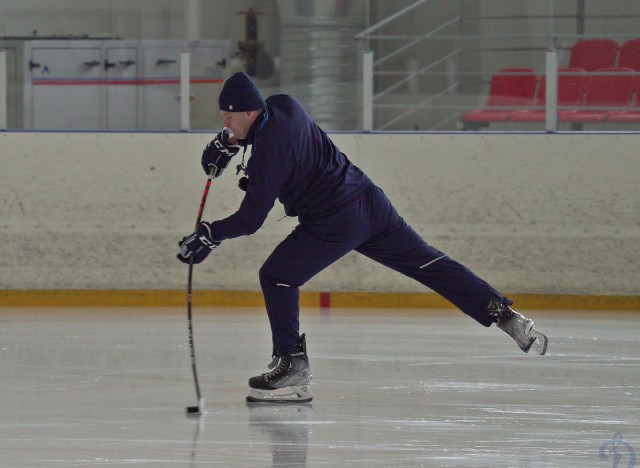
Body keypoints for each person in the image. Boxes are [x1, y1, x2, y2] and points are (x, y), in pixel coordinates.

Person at [177, 72, 548, 403]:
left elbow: (251, 218)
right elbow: (270, 134)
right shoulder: (284, 105)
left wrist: (210, 234)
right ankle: (504, 314)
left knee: (277, 275)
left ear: (248, 112)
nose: (225, 123)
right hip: (371, 203)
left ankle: (292, 365)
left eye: (229, 117)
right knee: (428, 262)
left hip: (333, 220)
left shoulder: (268, 155)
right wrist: (231, 141)